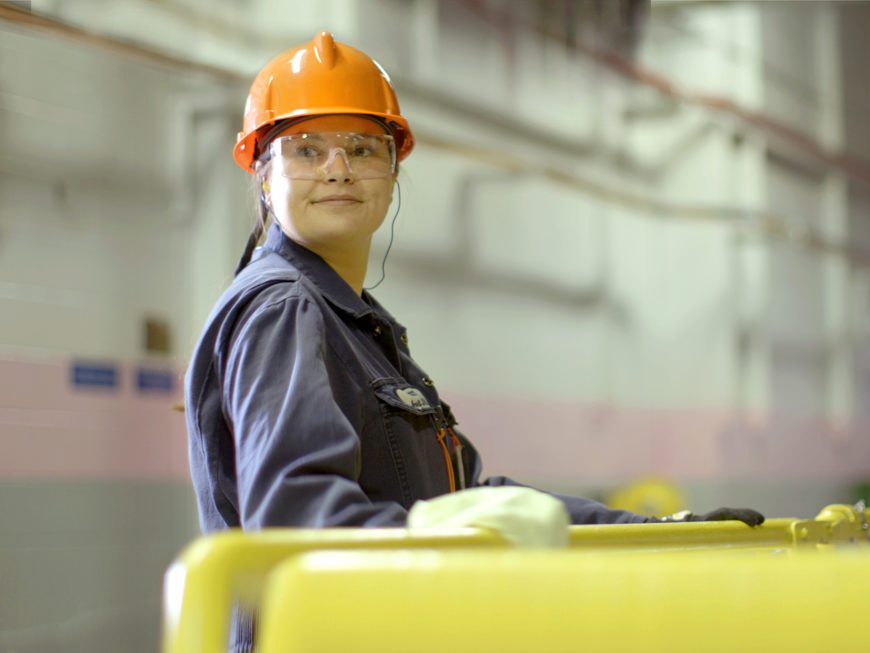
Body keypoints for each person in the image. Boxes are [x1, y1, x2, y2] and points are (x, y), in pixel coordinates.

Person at [184, 32, 764, 538]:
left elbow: (468, 499)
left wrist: (652, 529)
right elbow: (301, 520)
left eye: (362, 149)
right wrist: (456, 530)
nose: (337, 168)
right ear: (262, 175)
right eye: (305, 150)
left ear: (392, 172)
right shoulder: (285, 309)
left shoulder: (358, 326)